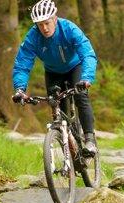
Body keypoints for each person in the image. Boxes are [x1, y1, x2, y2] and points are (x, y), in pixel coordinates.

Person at [12, 0, 98, 155]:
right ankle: (69, 150)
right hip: (52, 72)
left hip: (75, 68)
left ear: (55, 18)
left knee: (81, 97)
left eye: (47, 23)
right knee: (56, 106)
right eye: (40, 25)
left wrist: (86, 78)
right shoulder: (33, 37)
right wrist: (20, 89)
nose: (44, 28)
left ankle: (90, 140)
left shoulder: (69, 29)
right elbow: (22, 64)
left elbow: (87, 54)